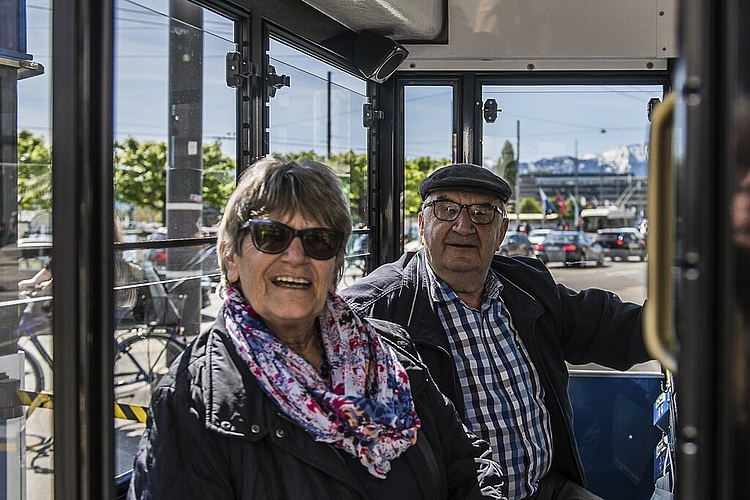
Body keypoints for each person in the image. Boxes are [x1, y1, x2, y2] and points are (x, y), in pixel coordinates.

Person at [128, 157, 506, 499]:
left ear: (336, 265)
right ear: (230, 256)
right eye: (271, 236)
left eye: (319, 241)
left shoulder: (390, 349)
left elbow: (468, 460)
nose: (295, 257)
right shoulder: (194, 400)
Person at [341, 163, 650, 500]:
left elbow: (613, 327)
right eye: (446, 210)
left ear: (501, 231)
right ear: (421, 225)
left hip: (548, 487)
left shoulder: (526, 285)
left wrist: (693, 323)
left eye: (482, 213)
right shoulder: (373, 311)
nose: (463, 225)